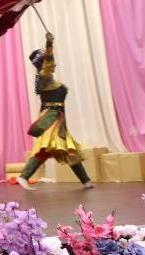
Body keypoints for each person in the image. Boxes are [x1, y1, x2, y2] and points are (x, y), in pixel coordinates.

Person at [17, 32, 94, 190]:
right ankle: (23, 176)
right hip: (51, 118)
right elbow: (49, 61)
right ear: (44, 63)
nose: (54, 65)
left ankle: (86, 181)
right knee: (48, 147)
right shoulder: (44, 76)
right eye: (50, 62)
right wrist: (49, 44)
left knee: (68, 149)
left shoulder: (47, 79)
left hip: (57, 118)